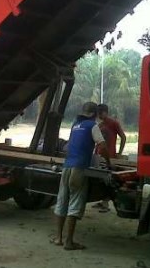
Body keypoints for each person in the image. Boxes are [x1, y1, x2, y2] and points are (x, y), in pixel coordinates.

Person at [51, 101, 111, 250]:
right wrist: (109, 162)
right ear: (94, 115)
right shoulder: (92, 126)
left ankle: (58, 238)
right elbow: (102, 146)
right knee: (75, 203)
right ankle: (69, 242)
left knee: (62, 201)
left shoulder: (75, 126)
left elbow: (69, 146)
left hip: (67, 166)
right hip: (79, 168)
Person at [92, 103, 127, 212]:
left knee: (107, 179)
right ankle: (103, 201)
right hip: (99, 155)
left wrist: (120, 153)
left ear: (105, 112)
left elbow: (123, 137)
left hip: (110, 156)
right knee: (100, 180)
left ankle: (106, 204)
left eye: (100, 113)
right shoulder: (99, 125)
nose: (99, 116)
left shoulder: (113, 123)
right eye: (98, 114)